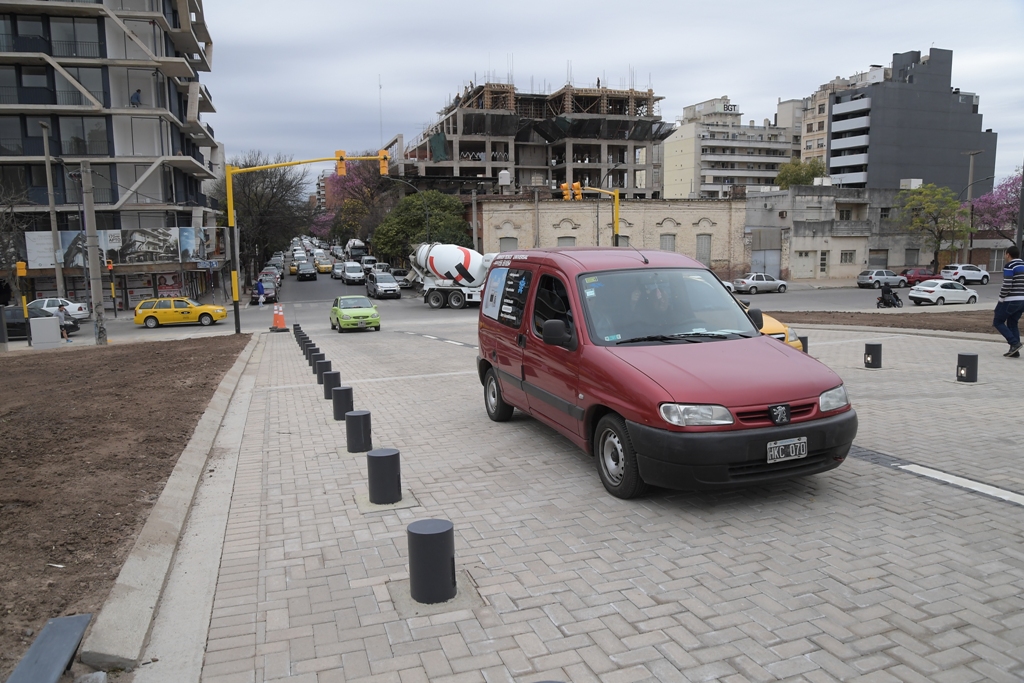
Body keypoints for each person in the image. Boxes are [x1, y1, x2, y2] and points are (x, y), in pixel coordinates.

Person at [993, 246, 1024, 358]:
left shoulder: (1010, 266)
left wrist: (1001, 298)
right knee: (1012, 322)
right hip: (1022, 301)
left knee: (998, 321)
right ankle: (1014, 351)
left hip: (1011, 299)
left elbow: (1007, 284)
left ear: (1008, 254)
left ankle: (1014, 343)